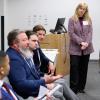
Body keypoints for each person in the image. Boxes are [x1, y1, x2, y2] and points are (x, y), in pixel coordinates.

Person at [6, 29, 79, 100]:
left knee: (59, 88)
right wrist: (44, 82)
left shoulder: (21, 52)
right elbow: (22, 84)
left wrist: (44, 80)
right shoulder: (14, 59)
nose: (28, 42)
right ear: (15, 44)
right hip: (30, 93)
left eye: (27, 39)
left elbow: (32, 73)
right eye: (24, 40)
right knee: (58, 94)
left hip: (35, 87)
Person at [68, 2, 94, 94]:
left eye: (84, 9)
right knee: (74, 67)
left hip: (87, 48)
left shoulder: (88, 19)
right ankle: (73, 89)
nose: (82, 11)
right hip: (75, 48)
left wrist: (86, 43)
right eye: (81, 8)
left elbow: (90, 32)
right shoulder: (72, 19)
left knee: (84, 68)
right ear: (77, 9)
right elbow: (71, 33)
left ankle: (81, 87)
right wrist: (81, 42)